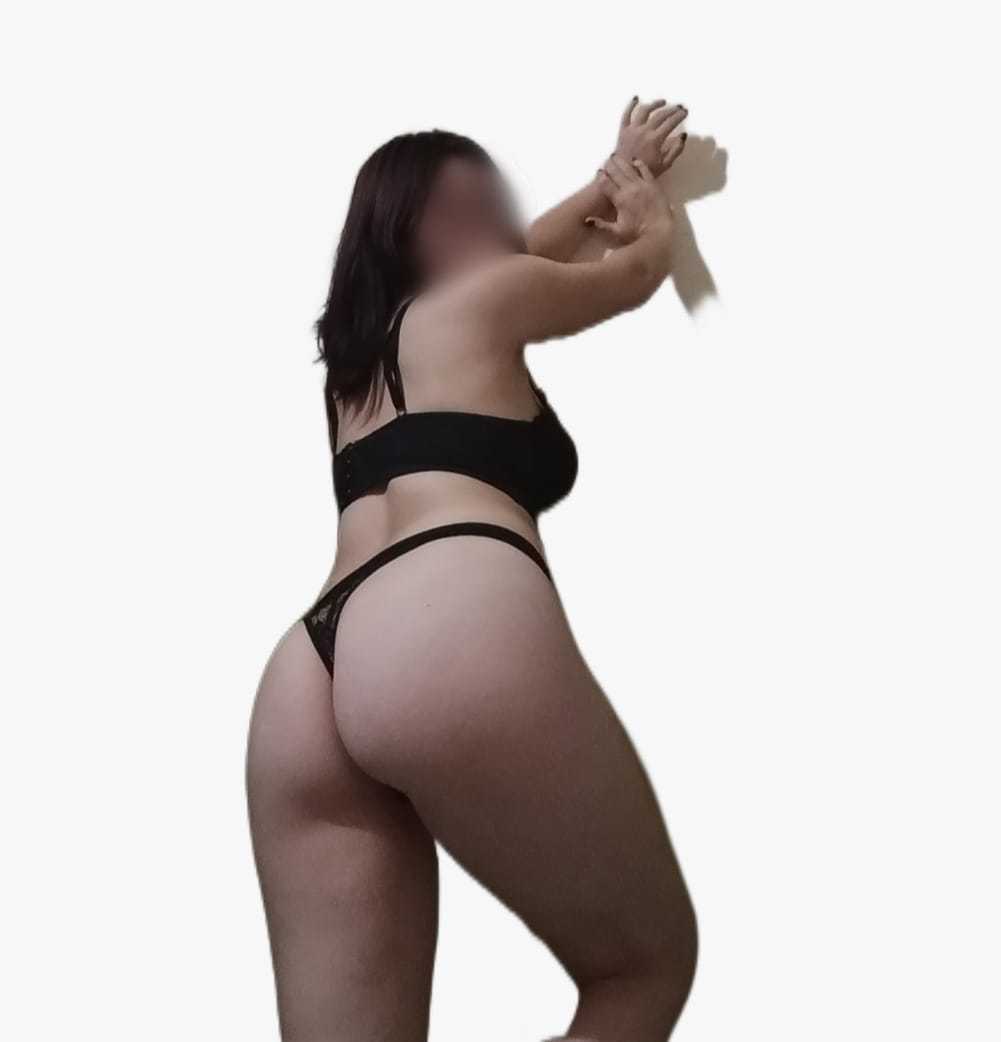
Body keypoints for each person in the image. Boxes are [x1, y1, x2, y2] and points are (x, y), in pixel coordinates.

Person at [245, 96, 697, 1042]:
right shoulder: (484, 300)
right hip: (443, 617)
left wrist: (605, 176)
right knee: (643, 967)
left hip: (307, 676)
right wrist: (646, 208)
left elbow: (529, 250)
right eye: (472, 205)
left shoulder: (353, 372)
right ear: (417, 229)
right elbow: (631, 272)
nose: (500, 218)